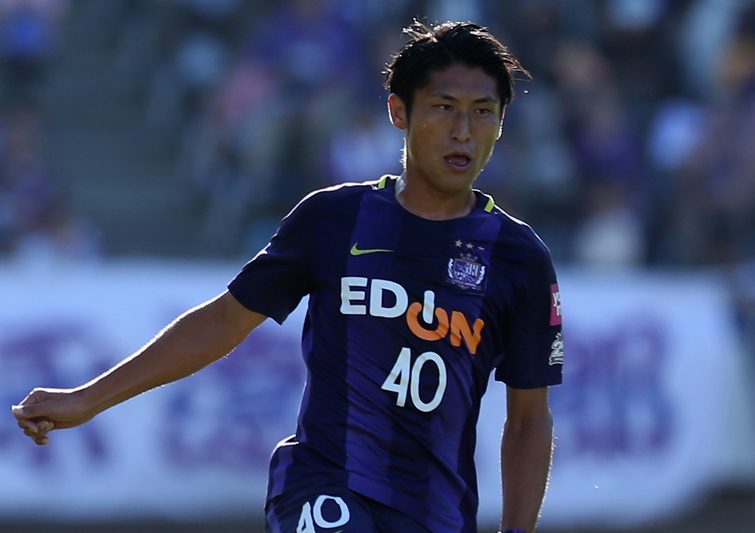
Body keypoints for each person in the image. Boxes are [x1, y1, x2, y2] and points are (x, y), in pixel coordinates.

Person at [12, 20, 564, 533]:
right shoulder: (333, 219)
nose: (463, 131)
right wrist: (88, 398)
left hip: (436, 514)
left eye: (482, 111)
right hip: (326, 490)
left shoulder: (519, 259)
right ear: (399, 112)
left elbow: (527, 421)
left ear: (501, 123)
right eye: (444, 107)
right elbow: (225, 320)